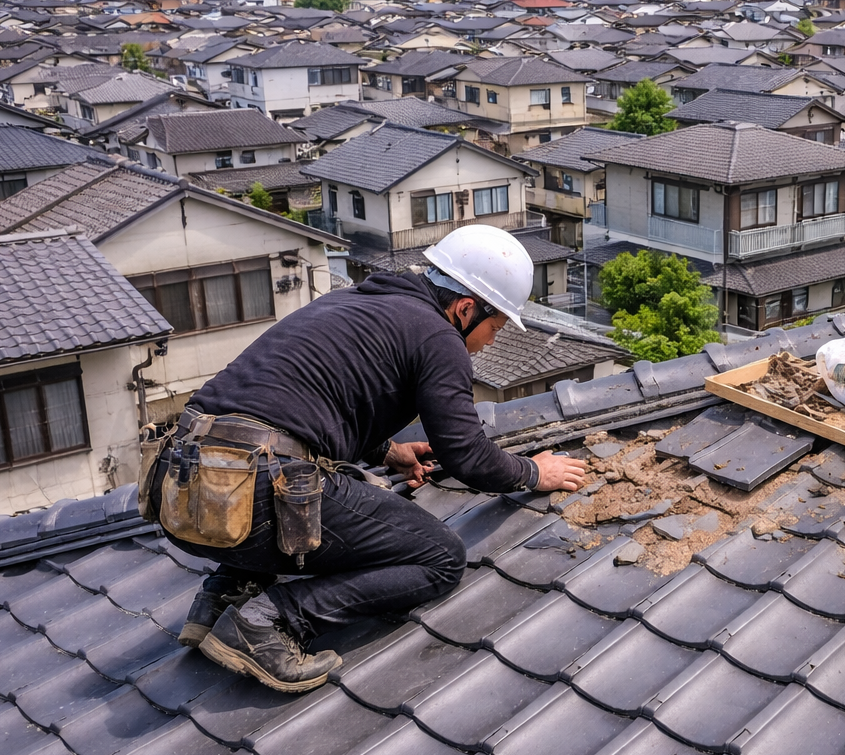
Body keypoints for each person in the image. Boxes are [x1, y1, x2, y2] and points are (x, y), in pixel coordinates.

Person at [151, 225, 586, 693]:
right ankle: (267, 621)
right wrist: (534, 471)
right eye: (494, 327)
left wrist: (387, 451)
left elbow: (302, 403)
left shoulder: (352, 301)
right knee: (439, 557)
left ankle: (220, 598)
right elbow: (467, 456)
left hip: (180, 486)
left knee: (314, 497)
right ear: (465, 309)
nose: (491, 342)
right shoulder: (439, 338)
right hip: (256, 489)